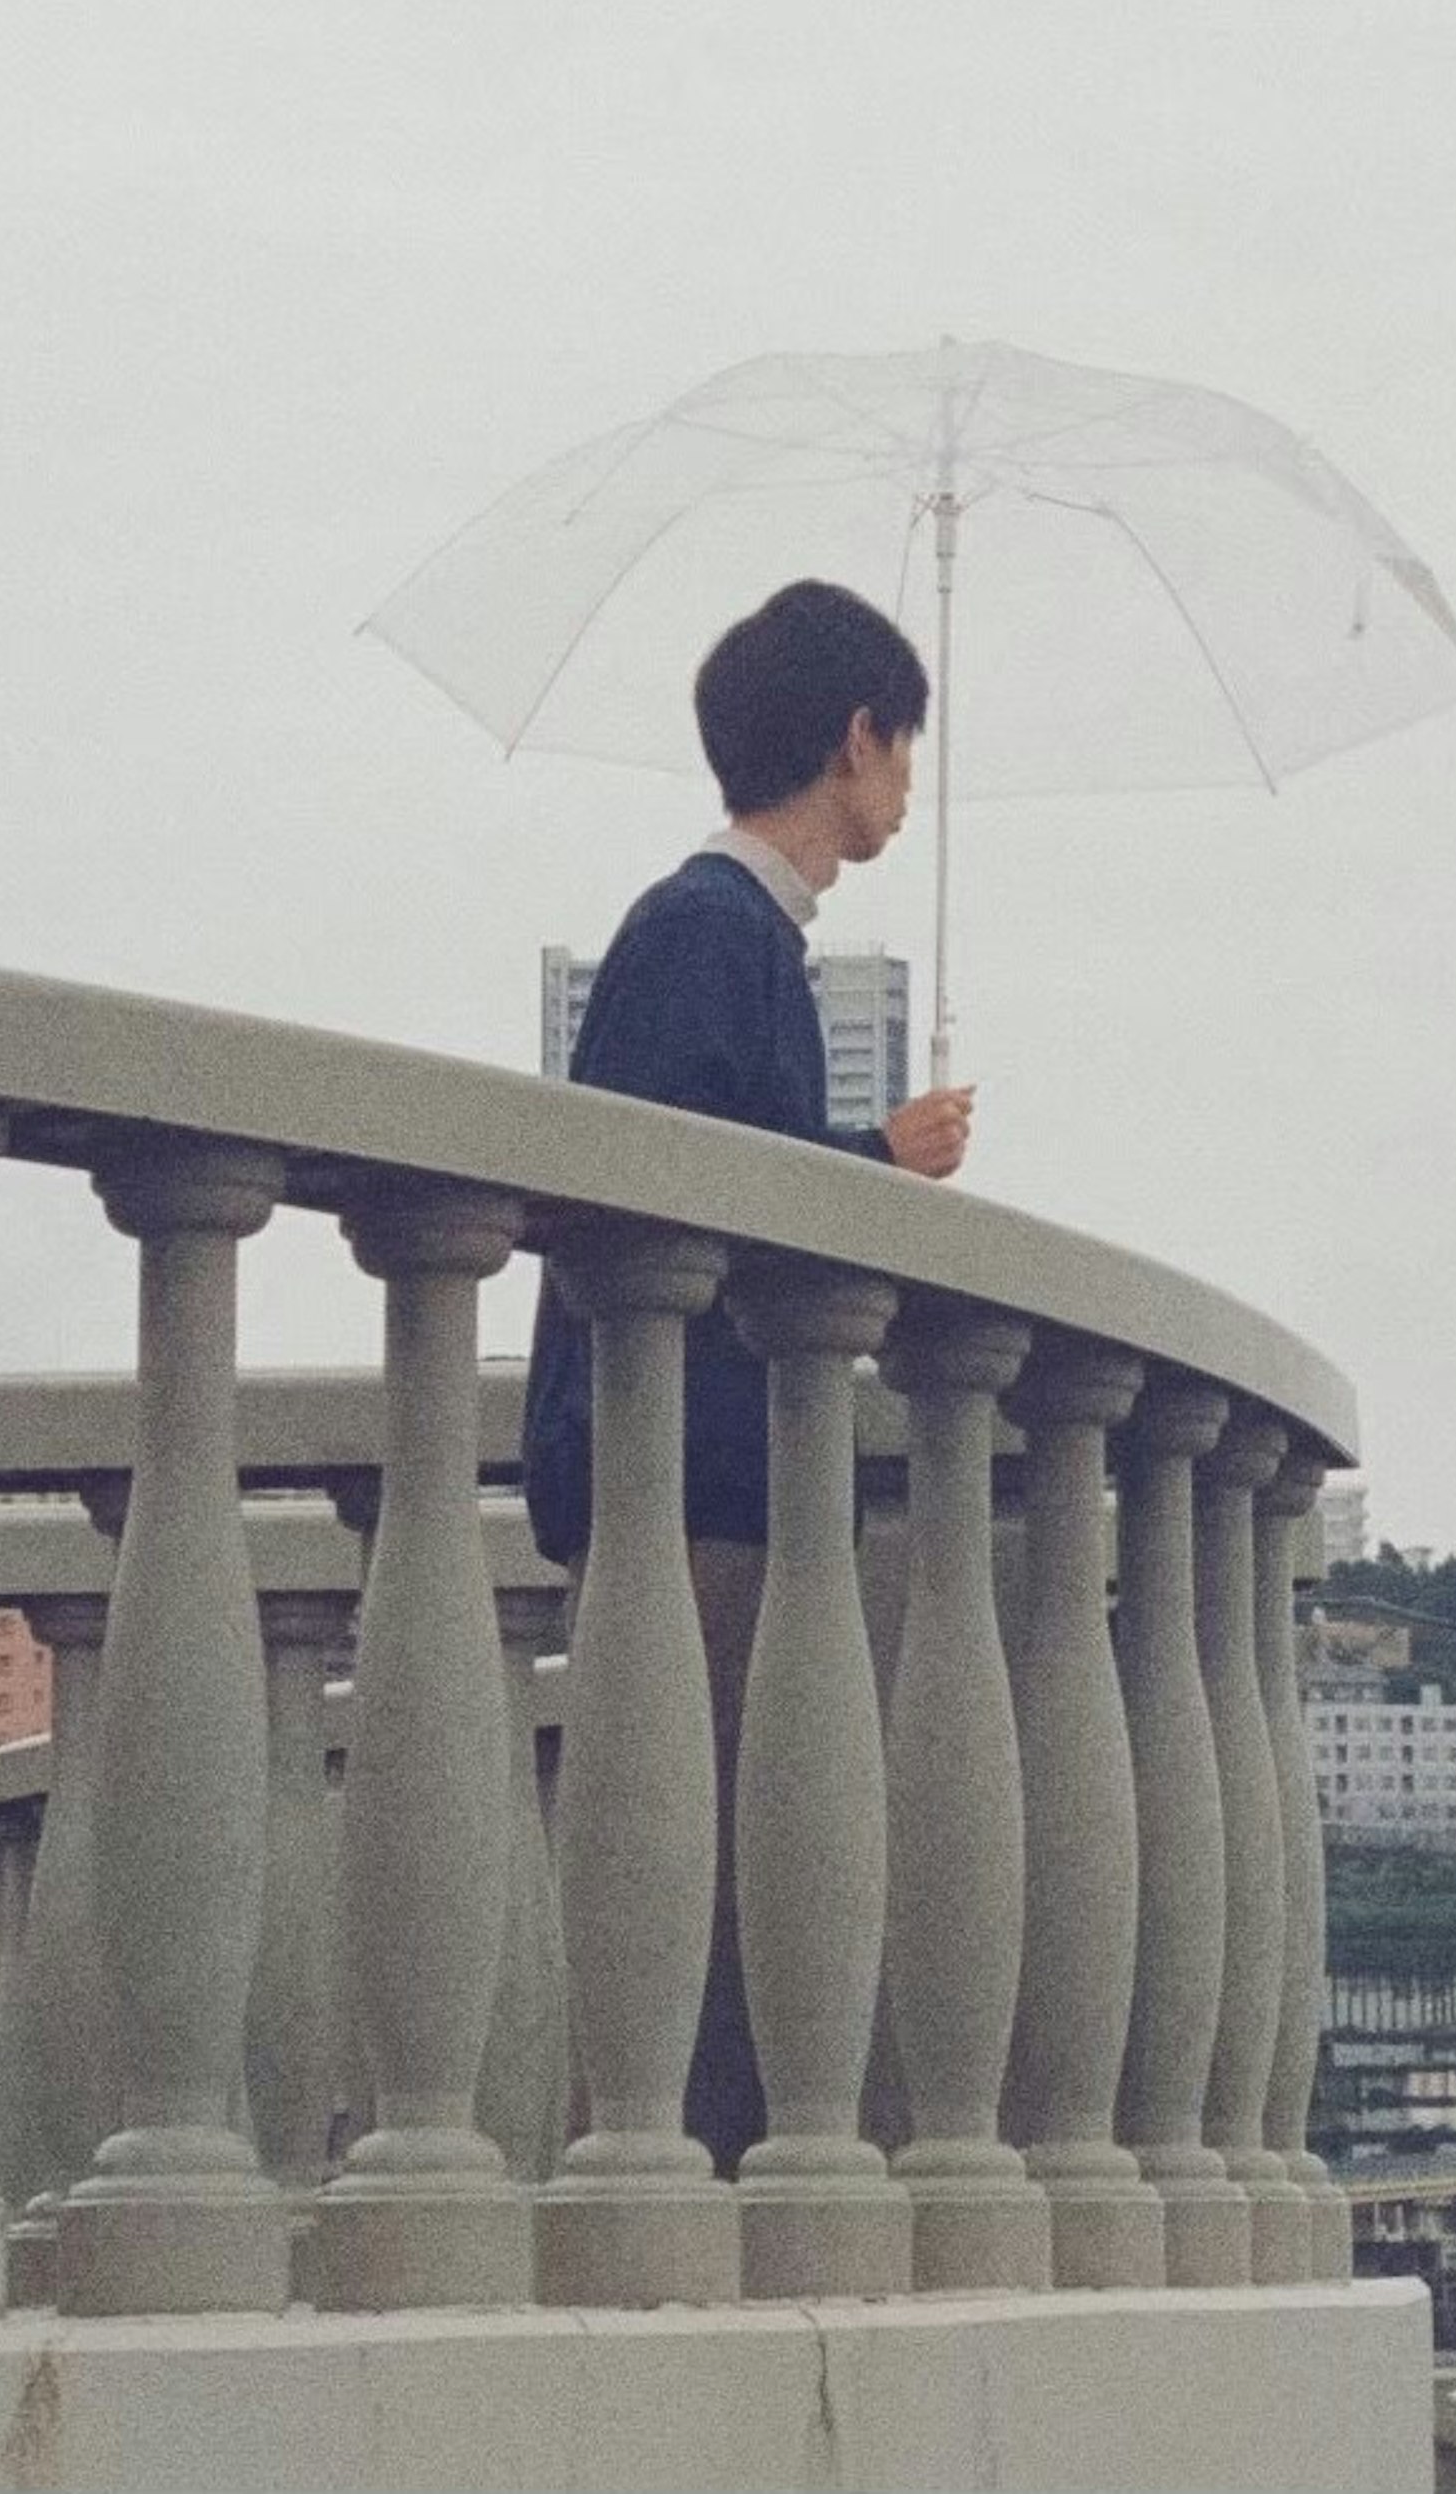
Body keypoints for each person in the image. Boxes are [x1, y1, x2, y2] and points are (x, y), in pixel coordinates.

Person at [519, 577, 975, 2169]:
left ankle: (668, 2186)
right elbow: (676, 1203)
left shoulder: (718, 934)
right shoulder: (713, 933)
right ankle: (651, 2203)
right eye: (902, 746)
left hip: (697, 1477)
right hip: (691, 1480)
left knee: (719, 1867)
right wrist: (874, 1158)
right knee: (700, 1879)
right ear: (854, 739)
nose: (907, 783)